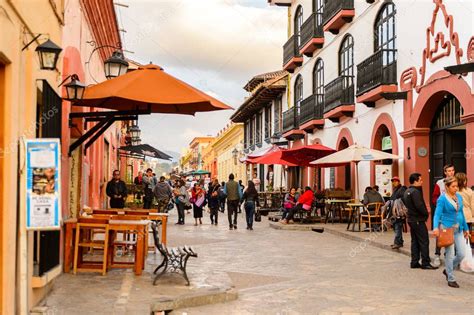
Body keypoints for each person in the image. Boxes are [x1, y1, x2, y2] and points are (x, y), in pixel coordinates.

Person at [433, 176, 469, 288]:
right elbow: (437, 214)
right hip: (447, 229)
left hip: (458, 229)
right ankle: (451, 278)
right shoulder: (442, 199)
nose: (456, 188)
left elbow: (461, 213)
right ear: (447, 187)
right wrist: (435, 228)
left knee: (462, 254)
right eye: (453, 186)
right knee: (450, 254)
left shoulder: (459, 197)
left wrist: (466, 228)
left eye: (457, 186)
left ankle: (448, 270)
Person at [403, 173, 437, 270]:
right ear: (415, 181)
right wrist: (426, 214)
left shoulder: (407, 191)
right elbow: (419, 206)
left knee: (415, 241)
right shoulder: (415, 192)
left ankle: (414, 262)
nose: (422, 181)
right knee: (424, 241)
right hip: (417, 219)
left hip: (411, 219)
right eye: (420, 180)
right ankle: (425, 263)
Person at [431, 164, 455, 267]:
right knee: (441, 235)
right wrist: (441, 204)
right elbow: (434, 197)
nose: (451, 172)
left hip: (454, 213)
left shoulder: (456, 182)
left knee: (453, 234)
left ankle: (448, 256)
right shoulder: (440, 183)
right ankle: (437, 255)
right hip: (442, 213)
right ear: (445, 172)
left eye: (452, 170)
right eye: (448, 171)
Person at [454, 172, 474, 249]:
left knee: (457, 237)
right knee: (467, 237)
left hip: (456, 216)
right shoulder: (469, 191)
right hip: (467, 217)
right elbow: (473, 206)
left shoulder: (454, 191)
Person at [390, 177, 407, 250]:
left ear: (398, 182)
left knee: (397, 227)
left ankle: (397, 243)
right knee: (395, 227)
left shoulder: (402, 189)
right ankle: (399, 241)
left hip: (399, 212)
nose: (394, 183)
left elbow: (403, 199)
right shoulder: (395, 190)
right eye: (393, 181)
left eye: (395, 181)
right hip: (395, 212)